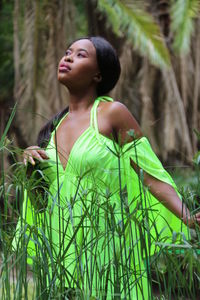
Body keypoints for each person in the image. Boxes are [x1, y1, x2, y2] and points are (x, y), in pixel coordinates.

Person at [19, 36, 199, 299]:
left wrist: (186, 215)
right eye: (67, 52)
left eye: (80, 55)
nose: (67, 57)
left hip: (109, 247)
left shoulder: (112, 113)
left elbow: (149, 173)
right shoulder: (51, 131)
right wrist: (30, 167)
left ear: (98, 75)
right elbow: (42, 205)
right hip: (63, 251)